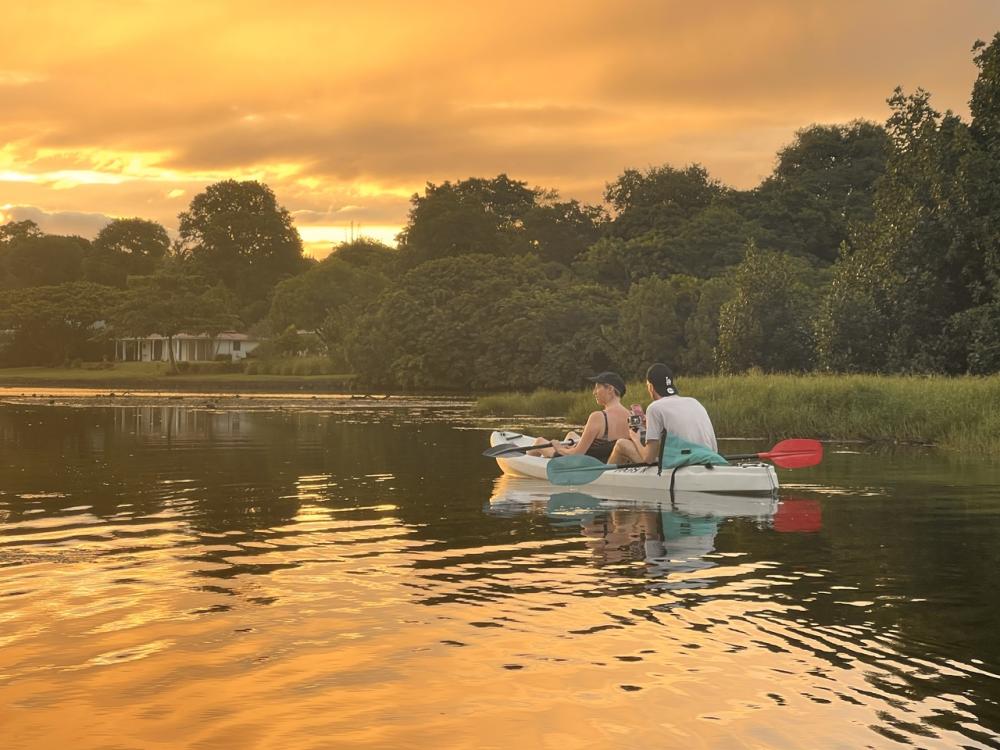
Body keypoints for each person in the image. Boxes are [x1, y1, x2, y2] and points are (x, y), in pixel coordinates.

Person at [608, 363, 717, 466]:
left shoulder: (654, 408)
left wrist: (635, 438)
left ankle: (602, 477)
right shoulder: (694, 402)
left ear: (651, 387)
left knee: (621, 444)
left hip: (682, 466)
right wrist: (651, 426)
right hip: (711, 461)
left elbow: (648, 458)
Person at [529, 372, 631, 463]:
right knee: (571, 434)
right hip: (604, 460)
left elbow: (577, 454)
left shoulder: (598, 417)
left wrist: (559, 448)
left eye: (597, 387)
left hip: (582, 463)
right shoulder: (631, 416)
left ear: (610, 389)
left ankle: (526, 463)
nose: (594, 392)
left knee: (539, 441)